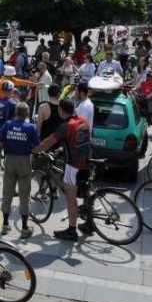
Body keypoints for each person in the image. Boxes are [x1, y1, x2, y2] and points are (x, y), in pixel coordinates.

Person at [34, 99, 91, 241]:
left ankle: (72, 230)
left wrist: (36, 149)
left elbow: (48, 142)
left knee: (71, 198)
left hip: (73, 165)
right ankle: (89, 222)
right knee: (86, 192)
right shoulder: (83, 121)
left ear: (61, 111)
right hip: (87, 161)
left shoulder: (65, 126)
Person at [0, 102, 39, 239]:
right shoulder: (31, 127)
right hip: (24, 161)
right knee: (24, 194)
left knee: (7, 192)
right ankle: (24, 228)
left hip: (9, 160)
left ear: (16, 113)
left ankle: (4, 224)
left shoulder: (8, 125)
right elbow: (36, 147)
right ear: (27, 114)